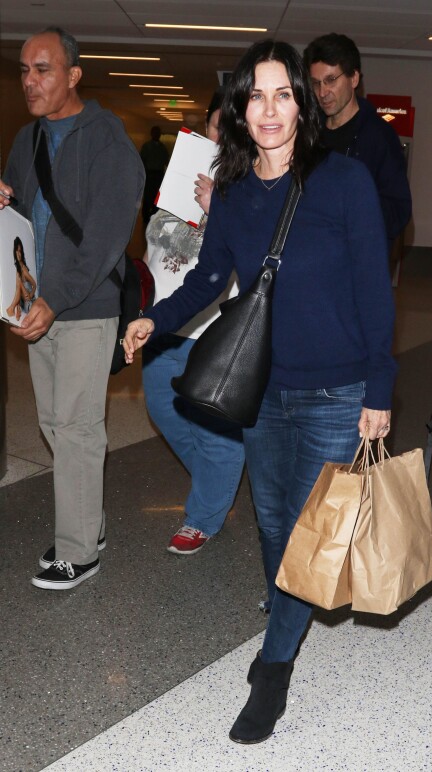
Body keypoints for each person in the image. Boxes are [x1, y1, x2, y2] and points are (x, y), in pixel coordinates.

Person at [123, 39, 396, 743]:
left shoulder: (344, 181)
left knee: (306, 534)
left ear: (301, 104)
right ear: (240, 109)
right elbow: (212, 278)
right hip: (263, 391)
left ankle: (273, 669)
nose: (269, 109)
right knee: (274, 528)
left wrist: (380, 389)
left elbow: (374, 291)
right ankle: (285, 620)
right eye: (256, 96)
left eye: (283, 94)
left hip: (338, 394)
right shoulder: (238, 193)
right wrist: (155, 319)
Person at [0, 27, 144, 590]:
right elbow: (15, 212)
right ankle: (90, 522)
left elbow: (107, 237)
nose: (30, 81)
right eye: (23, 70)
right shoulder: (25, 138)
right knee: (51, 423)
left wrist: (57, 300)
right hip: (37, 305)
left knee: (79, 427)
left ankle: (80, 552)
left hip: (84, 306)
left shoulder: (108, 141)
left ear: (74, 74)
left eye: (43, 69)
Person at [142, 90, 245, 556]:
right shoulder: (183, 168)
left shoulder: (250, 182)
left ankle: (203, 515)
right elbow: (156, 236)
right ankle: (215, 489)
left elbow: (251, 253)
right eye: (217, 125)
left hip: (213, 324)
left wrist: (217, 207)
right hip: (165, 316)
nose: (221, 136)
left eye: (232, 128)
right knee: (163, 408)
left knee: (212, 426)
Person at [303, 32, 411, 254]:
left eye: (331, 80)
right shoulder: (308, 135)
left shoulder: (379, 137)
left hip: (355, 263)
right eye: (316, 83)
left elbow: (398, 211)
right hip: (310, 258)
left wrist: (350, 206)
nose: (322, 92)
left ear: (354, 78)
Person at [140, 125, 169, 225]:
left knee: (157, 197)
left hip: (159, 175)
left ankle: (154, 216)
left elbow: (166, 161)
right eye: (155, 132)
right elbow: (141, 161)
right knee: (148, 197)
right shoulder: (146, 146)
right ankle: (145, 217)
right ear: (151, 134)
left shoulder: (163, 148)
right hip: (149, 174)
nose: (157, 135)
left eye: (158, 133)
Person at [6, 236, 37, 321]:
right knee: (18, 281)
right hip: (24, 302)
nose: (18, 254)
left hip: (30, 302)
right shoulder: (18, 268)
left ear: (22, 252)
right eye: (16, 251)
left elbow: (34, 284)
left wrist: (30, 295)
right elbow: (18, 287)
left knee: (19, 281)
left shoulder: (23, 268)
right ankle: (14, 307)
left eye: (20, 251)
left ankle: (12, 307)